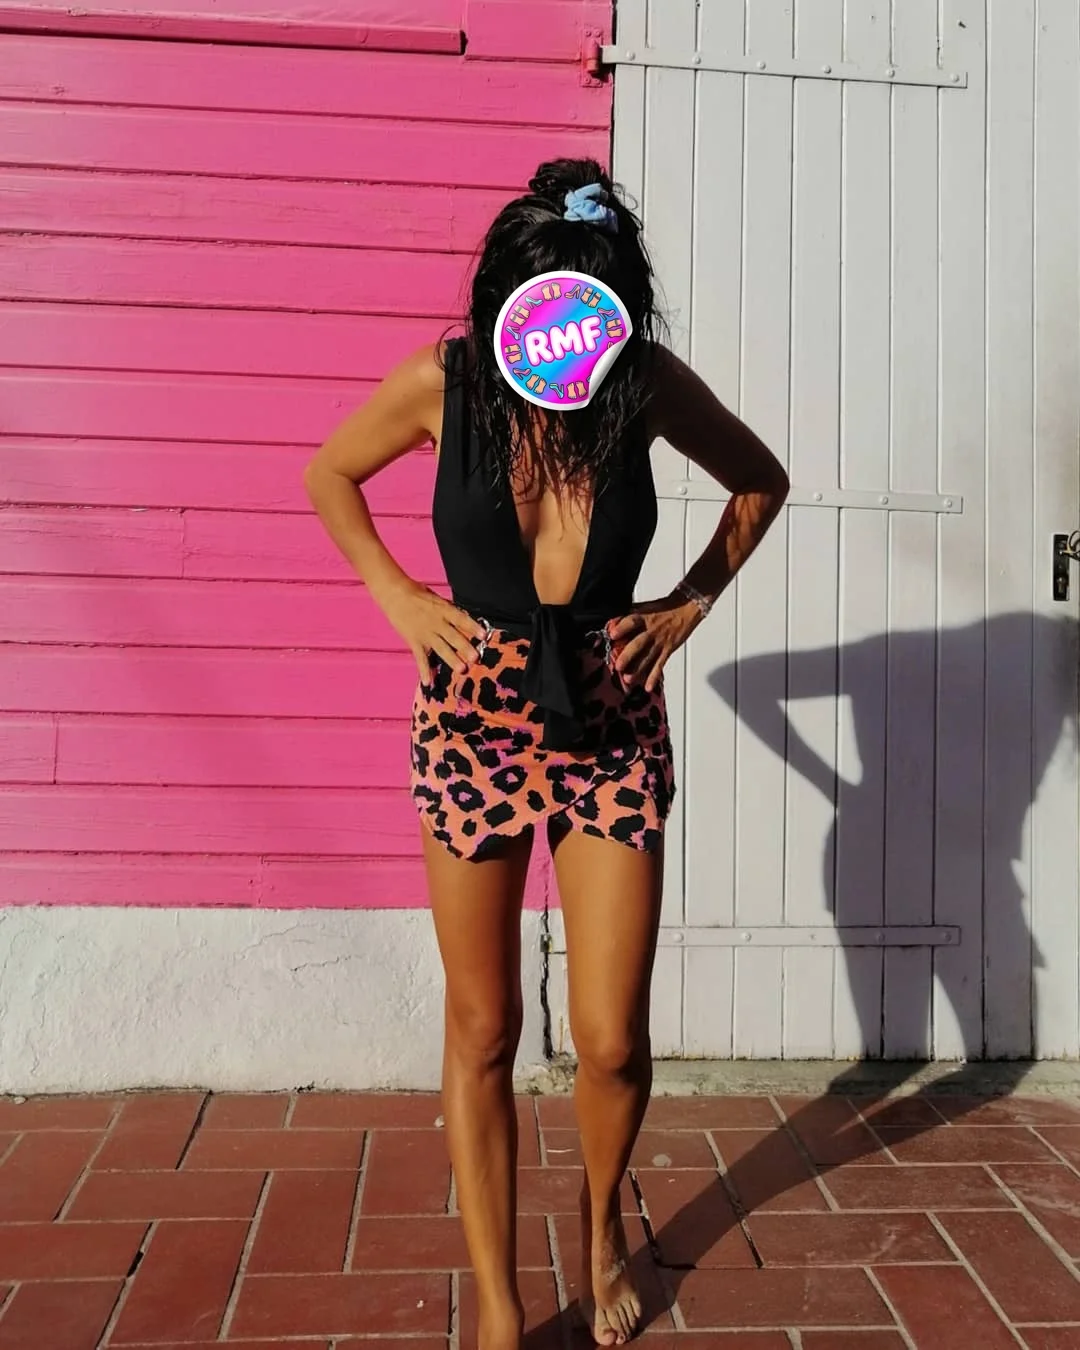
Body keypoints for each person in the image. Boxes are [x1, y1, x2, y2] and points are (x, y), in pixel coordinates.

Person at [304, 158, 788, 1349]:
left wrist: (684, 605)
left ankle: (601, 1222)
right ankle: (499, 1300)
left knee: (611, 1039)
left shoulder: (642, 384)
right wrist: (402, 598)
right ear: (505, 301)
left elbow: (759, 481)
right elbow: (330, 473)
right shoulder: (446, 382)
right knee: (483, 1029)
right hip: (471, 727)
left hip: (610, 732)